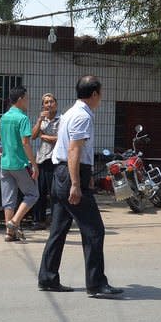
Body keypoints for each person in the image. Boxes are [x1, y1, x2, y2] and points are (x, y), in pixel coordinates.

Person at [38, 75, 123, 297]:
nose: (101, 98)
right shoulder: (82, 116)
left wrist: (87, 177)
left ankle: (47, 278)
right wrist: (76, 184)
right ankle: (96, 284)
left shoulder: (68, 114)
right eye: (100, 94)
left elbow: (73, 150)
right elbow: (74, 150)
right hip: (70, 176)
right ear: (94, 94)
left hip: (62, 174)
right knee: (95, 230)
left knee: (58, 230)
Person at [0, 86, 38, 242]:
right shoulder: (22, 118)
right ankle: (14, 222)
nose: (28, 101)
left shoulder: (4, 117)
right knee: (33, 194)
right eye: (27, 98)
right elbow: (25, 143)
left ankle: (10, 233)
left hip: (5, 163)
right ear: (21, 99)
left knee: (8, 199)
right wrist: (34, 164)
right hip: (19, 163)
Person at [31, 93, 60, 229]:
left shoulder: (62, 120)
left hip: (54, 160)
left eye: (51, 102)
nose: (49, 104)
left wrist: (45, 136)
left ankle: (56, 221)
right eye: (46, 102)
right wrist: (39, 121)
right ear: (43, 105)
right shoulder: (42, 120)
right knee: (39, 192)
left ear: (56, 104)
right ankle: (39, 221)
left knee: (54, 193)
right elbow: (33, 136)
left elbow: (60, 139)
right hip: (41, 159)